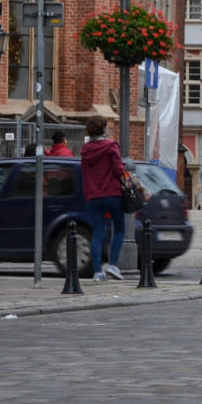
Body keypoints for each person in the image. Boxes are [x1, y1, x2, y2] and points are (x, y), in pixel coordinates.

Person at [79, 115, 127, 283]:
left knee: (98, 233)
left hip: (93, 196)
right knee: (119, 229)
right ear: (104, 128)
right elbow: (119, 170)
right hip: (112, 194)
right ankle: (113, 265)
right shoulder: (111, 146)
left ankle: (98, 272)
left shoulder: (85, 150)